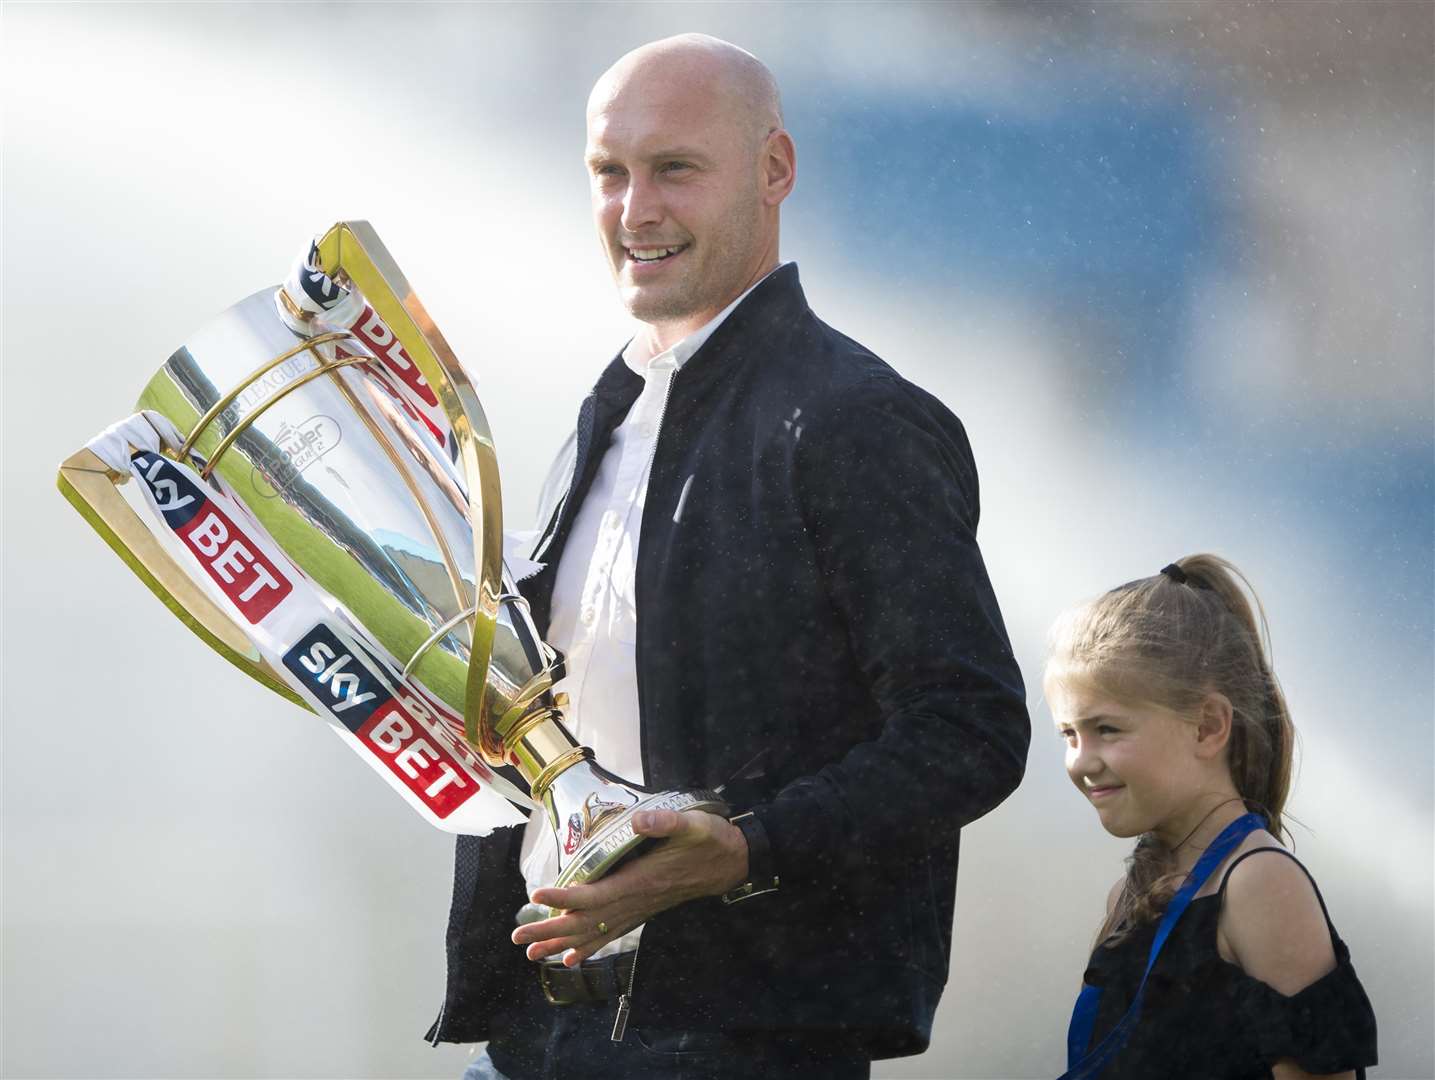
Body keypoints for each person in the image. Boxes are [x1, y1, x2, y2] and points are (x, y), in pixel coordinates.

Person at [427, 33, 1030, 1080]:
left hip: (739, 1046)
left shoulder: (855, 417)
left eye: (675, 169)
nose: (635, 209)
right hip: (537, 1034)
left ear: (775, 170)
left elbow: (970, 728)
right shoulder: (604, 413)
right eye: (609, 173)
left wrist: (747, 849)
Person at [1045, 554, 1378, 1080]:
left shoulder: (1261, 884)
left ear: (1206, 726)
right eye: (1069, 734)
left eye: (1106, 729)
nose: (1081, 761)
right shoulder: (1130, 895)